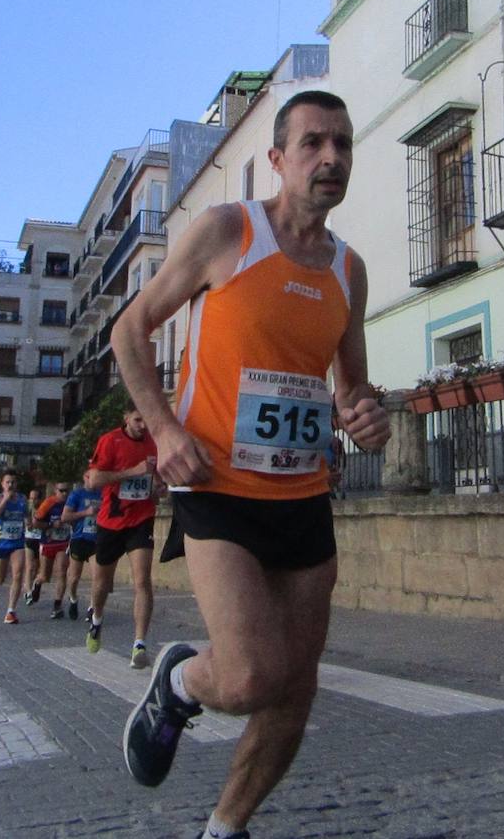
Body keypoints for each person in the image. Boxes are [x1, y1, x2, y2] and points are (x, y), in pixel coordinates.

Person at [111, 90, 390, 838]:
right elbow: (129, 329)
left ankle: (225, 826)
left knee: (293, 691)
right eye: (312, 143)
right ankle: (177, 679)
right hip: (217, 486)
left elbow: (351, 386)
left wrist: (368, 414)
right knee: (246, 675)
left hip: (303, 497)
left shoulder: (349, 271)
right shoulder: (228, 231)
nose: (330, 158)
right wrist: (165, 429)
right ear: (277, 159)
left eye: (342, 144)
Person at [85, 405, 159, 667]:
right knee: (102, 584)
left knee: (143, 581)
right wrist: (133, 472)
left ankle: (139, 644)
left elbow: (158, 481)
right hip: (111, 521)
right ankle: (97, 618)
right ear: (126, 418)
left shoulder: (155, 442)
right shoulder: (110, 441)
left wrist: (157, 488)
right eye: (138, 420)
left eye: (146, 420)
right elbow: (93, 480)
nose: (143, 425)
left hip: (141, 519)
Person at [0, 469, 28, 623]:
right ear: (2, 484)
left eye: (13, 482)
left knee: (18, 574)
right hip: (1, 541)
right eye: (7, 482)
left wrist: (30, 522)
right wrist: (5, 500)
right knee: (0, 577)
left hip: (17, 541)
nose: (10, 485)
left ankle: (11, 611)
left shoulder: (22, 499)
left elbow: (27, 516)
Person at [61, 470, 101, 621]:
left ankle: (92, 607)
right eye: (90, 476)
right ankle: (73, 598)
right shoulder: (76, 495)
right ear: (84, 477)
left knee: (98, 576)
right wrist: (85, 513)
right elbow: (65, 517)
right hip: (79, 539)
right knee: (74, 577)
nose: (94, 480)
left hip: (96, 540)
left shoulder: (102, 494)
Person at [35, 483, 72, 619]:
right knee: (45, 576)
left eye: (66, 491)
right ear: (55, 491)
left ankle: (57, 606)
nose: (64, 493)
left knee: (62, 571)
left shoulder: (71, 503)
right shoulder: (48, 503)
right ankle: (37, 583)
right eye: (61, 491)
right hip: (49, 542)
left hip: (64, 542)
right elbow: (36, 522)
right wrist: (51, 524)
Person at [23, 488, 44, 604]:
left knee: (38, 568)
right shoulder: (27, 508)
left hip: (40, 540)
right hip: (29, 538)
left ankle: (34, 584)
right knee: (30, 566)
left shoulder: (44, 509)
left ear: (40, 499)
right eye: (31, 498)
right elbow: (25, 522)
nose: (33, 500)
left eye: (35, 498)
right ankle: (28, 592)